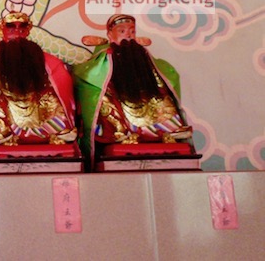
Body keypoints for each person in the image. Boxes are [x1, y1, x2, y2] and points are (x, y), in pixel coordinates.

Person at [0, 11, 77, 173]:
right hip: (7, 115)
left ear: (28, 30)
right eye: (11, 27)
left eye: (22, 27)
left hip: (38, 112)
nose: (17, 31)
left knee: (55, 98)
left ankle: (55, 133)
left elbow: (60, 86)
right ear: (1, 30)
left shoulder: (45, 61)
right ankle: (5, 136)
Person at [73, 14, 192, 162]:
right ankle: (120, 133)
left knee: (160, 94)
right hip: (118, 98)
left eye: (132, 31)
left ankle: (168, 129)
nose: (128, 35)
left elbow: (165, 76)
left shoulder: (141, 54)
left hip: (145, 97)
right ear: (110, 35)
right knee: (103, 99)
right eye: (122, 31)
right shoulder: (105, 56)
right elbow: (88, 76)